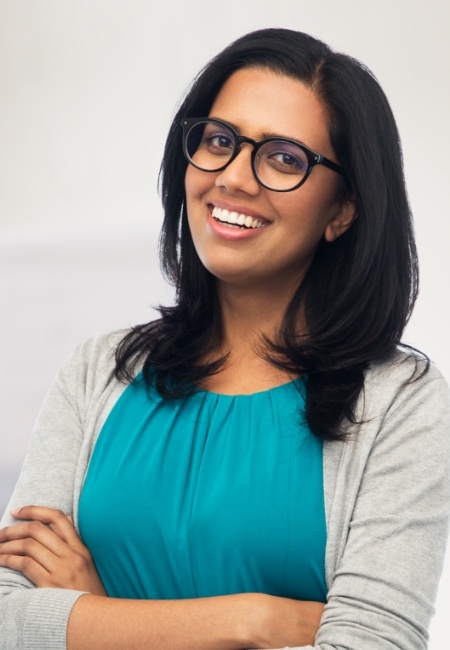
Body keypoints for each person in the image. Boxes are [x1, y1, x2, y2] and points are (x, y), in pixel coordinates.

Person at [0, 27, 449, 650]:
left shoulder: (401, 402)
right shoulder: (98, 370)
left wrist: (98, 616)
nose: (234, 178)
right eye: (219, 140)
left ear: (343, 210)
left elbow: (370, 644)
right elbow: (6, 618)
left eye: (285, 158)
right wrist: (253, 621)